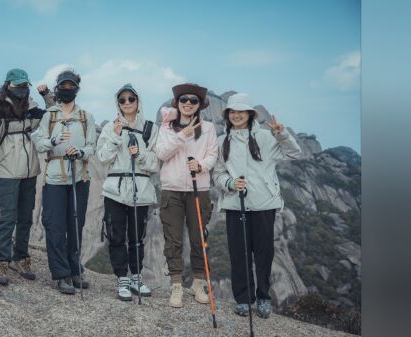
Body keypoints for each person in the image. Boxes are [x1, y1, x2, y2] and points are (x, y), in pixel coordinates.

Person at [212, 93, 301, 318]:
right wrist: (230, 183)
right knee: (238, 253)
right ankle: (243, 299)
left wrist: (281, 135)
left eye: (241, 111)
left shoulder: (266, 137)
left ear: (250, 114)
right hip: (235, 204)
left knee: (263, 254)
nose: (237, 115)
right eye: (232, 112)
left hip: (263, 204)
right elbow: (218, 173)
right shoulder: (223, 141)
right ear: (227, 115)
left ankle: (263, 297)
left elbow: (294, 153)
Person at [0, 68, 55, 285]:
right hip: (8, 170)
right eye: (17, 85)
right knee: (8, 217)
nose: (21, 89)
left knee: (25, 216)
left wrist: (46, 95)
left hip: (30, 170)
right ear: (8, 85)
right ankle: (1, 261)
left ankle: (21, 257)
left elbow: (53, 114)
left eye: (24, 85)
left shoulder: (31, 108)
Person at [31, 69, 97, 295]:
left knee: (75, 225)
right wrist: (53, 140)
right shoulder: (49, 115)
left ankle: (75, 269)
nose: (67, 90)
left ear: (77, 88)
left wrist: (80, 151)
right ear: (57, 88)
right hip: (55, 177)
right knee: (55, 226)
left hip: (79, 177)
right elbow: (39, 143)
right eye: (63, 86)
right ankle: (61, 274)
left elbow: (92, 147)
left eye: (71, 86)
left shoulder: (86, 116)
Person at [155, 83, 217, 308]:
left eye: (193, 100)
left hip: (198, 189)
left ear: (200, 104)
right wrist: (183, 135)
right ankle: (176, 286)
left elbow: (212, 154)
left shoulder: (208, 128)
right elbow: (161, 153)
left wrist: (200, 166)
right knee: (173, 239)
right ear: (177, 103)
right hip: (172, 188)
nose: (188, 103)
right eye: (184, 100)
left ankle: (198, 284)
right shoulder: (167, 127)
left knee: (199, 238)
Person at [96, 84, 159, 301]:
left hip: (140, 188)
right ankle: (122, 278)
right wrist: (115, 135)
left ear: (138, 101)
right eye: (122, 100)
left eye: (131, 99)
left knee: (137, 236)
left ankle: (136, 277)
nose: (127, 103)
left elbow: (155, 163)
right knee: (115, 234)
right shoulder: (109, 128)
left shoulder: (151, 128)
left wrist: (140, 154)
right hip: (115, 189)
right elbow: (102, 157)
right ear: (118, 103)